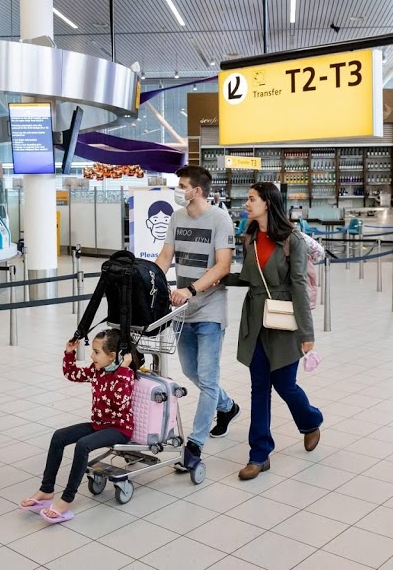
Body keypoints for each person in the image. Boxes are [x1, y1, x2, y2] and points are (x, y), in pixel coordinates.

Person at [224, 182, 322, 481]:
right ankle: (259, 454)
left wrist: (307, 334)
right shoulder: (250, 237)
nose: (246, 204)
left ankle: (310, 420)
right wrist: (219, 278)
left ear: (267, 203)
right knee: (259, 388)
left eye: (251, 199)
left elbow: (299, 288)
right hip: (255, 320)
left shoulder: (293, 240)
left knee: (285, 384)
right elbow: (251, 278)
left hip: (284, 321)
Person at [155, 165, 239, 475]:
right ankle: (227, 407)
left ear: (197, 191)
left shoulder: (219, 219)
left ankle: (195, 444)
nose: (179, 189)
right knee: (192, 371)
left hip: (209, 310)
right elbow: (165, 257)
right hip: (182, 311)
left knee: (207, 377)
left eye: (182, 185)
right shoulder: (177, 218)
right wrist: (149, 280)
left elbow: (222, 266)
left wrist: (190, 289)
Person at [20, 329, 134, 524]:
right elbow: (72, 374)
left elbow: (119, 402)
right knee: (59, 436)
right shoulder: (97, 370)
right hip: (99, 424)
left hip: (119, 429)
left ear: (112, 355)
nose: (92, 356)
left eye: (97, 352)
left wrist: (123, 369)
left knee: (83, 445)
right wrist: (69, 353)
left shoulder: (125, 375)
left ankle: (67, 499)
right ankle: (47, 489)